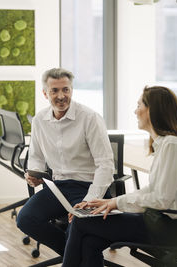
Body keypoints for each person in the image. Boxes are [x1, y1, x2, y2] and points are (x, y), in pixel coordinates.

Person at [62, 86, 177, 267]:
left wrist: (116, 203)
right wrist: (110, 202)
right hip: (161, 220)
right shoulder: (167, 144)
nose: (135, 111)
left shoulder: (172, 146)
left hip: (171, 228)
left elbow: (161, 200)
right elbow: (153, 190)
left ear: (152, 110)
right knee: (90, 242)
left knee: (81, 223)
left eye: (139, 105)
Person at [16, 68, 114, 256]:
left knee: (78, 229)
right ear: (45, 93)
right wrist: (34, 174)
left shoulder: (90, 118)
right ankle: (76, 255)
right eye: (55, 91)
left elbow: (106, 165)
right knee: (25, 219)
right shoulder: (39, 121)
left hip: (89, 188)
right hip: (57, 188)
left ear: (71, 90)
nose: (61, 96)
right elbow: (36, 156)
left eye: (66, 90)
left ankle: (75, 254)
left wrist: (88, 201)